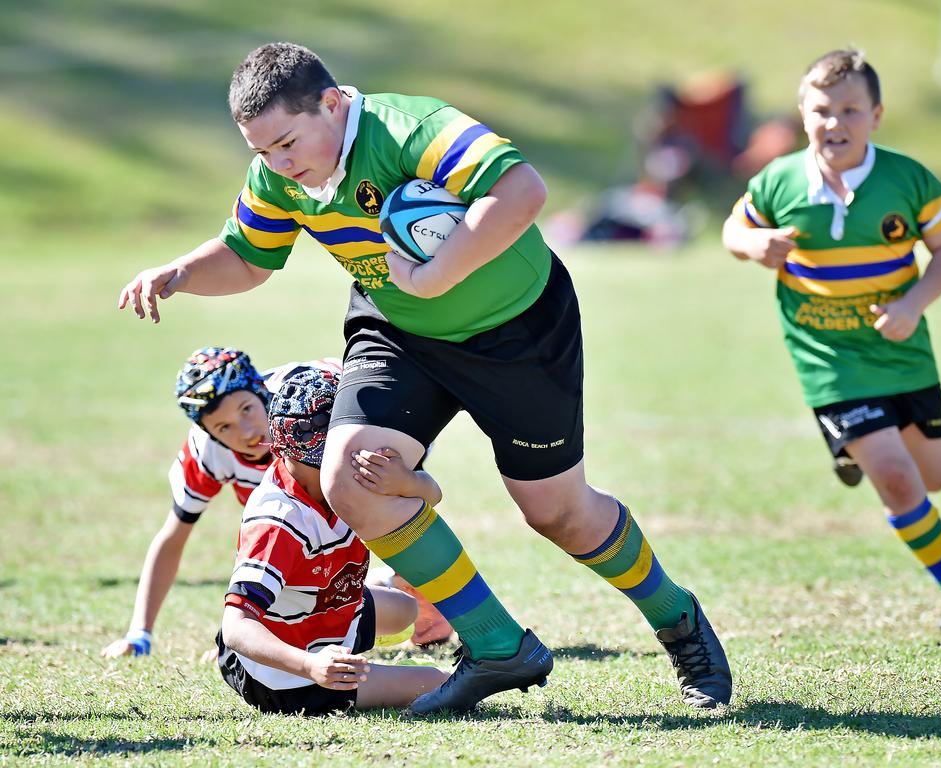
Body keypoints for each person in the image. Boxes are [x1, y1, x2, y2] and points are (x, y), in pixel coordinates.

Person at [118, 42, 732, 712]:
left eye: (288, 144)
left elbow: (523, 189)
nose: (281, 164)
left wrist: (438, 273)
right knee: (350, 474)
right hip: (398, 327)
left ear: (331, 103)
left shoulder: (410, 128)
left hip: (518, 331)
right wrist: (180, 273)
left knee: (559, 515)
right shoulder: (283, 176)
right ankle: (497, 646)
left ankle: (677, 618)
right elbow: (248, 257)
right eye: (264, 153)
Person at [721, 49, 941, 633]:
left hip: (901, 351)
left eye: (850, 110)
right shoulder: (779, 180)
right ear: (802, 113)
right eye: (822, 110)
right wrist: (752, 246)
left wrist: (913, 305)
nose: (835, 123)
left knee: (932, 477)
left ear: (877, 115)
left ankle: (850, 445)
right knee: (896, 478)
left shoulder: (909, 180)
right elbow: (734, 227)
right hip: (828, 357)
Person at [101, 346, 451, 659]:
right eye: (224, 427)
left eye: (247, 409)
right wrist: (140, 632)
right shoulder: (207, 452)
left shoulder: (311, 409)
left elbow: (414, 496)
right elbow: (173, 538)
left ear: (261, 393)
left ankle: (401, 583)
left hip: (369, 440)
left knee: (383, 528)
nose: (246, 431)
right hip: (307, 528)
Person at [219, 367, 449, 714]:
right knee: (440, 683)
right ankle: (331, 659)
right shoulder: (278, 521)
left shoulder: (345, 471)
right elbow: (236, 626)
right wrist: (310, 666)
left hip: (327, 609)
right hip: (286, 678)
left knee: (407, 610)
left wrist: (407, 481)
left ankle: (352, 621)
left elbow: (431, 494)